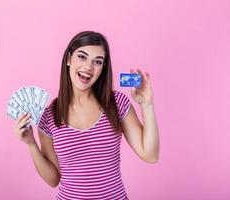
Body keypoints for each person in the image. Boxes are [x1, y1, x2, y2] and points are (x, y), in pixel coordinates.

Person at [13, 31, 160, 199]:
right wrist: (31, 143)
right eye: (82, 57)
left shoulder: (116, 103)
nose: (89, 67)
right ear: (68, 59)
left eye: (97, 62)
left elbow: (150, 155)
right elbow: (53, 179)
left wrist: (146, 104)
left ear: (103, 68)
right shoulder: (49, 115)